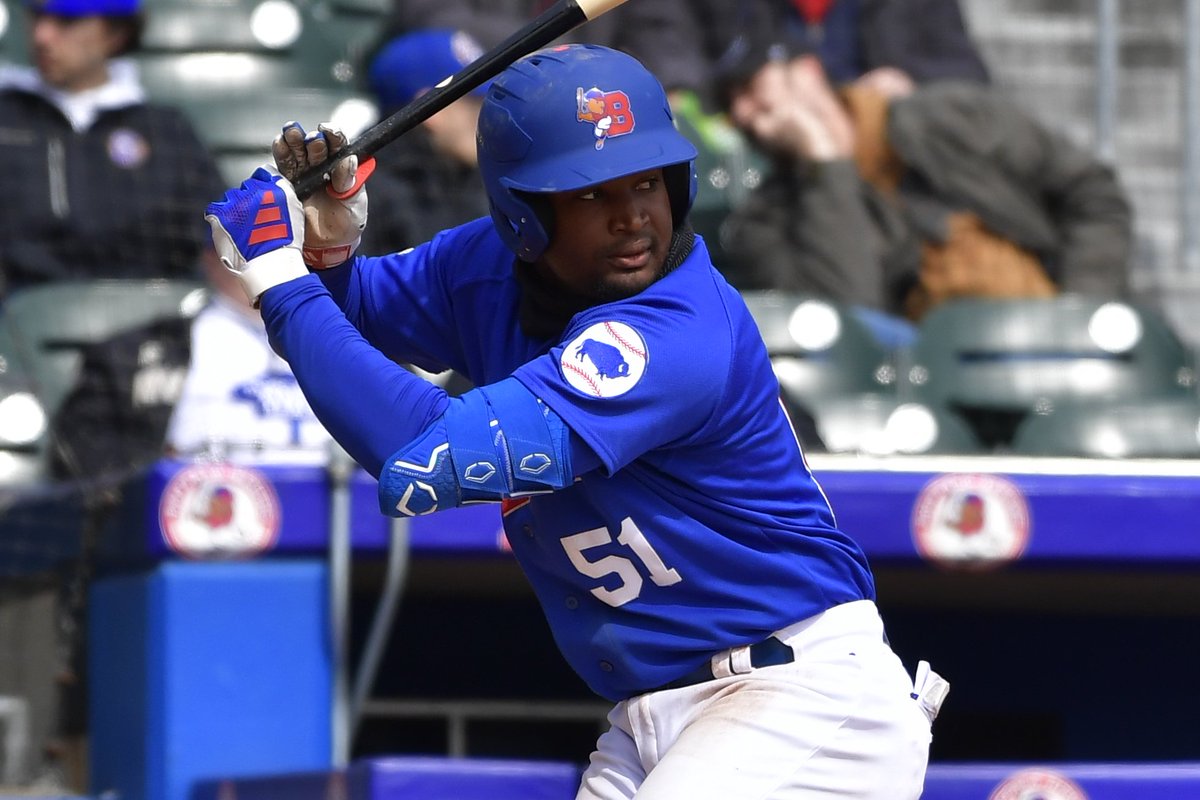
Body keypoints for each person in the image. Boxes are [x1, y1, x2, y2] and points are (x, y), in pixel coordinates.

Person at [206, 44, 947, 798]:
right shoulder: (486, 267)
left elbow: (423, 457)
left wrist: (278, 278)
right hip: (662, 710)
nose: (632, 216)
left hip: (800, 693)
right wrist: (325, 249)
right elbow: (351, 324)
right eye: (591, 194)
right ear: (522, 213)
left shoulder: (674, 333)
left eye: (648, 181)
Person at [719, 44, 1133, 336]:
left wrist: (1082, 312)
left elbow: (1093, 195)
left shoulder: (948, 116)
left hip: (1055, 333)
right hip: (919, 383)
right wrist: (826, 168)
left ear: (808, 73)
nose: (744, 114)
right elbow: (852, 321)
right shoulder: (765, 221)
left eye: (751, 88)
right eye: (729, 103)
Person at [0, 0, 225, 298]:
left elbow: (216, 239)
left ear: (115, 33)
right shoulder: (7, 116)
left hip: (152, 326)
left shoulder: (165, 132)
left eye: (66, 22)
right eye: (38, 17)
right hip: (14, 323)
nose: (42, 36)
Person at [354, 27, 494, 256]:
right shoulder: (361, 193)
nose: (486, 118)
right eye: (475, 106)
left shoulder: (478, 179)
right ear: (433, 111)